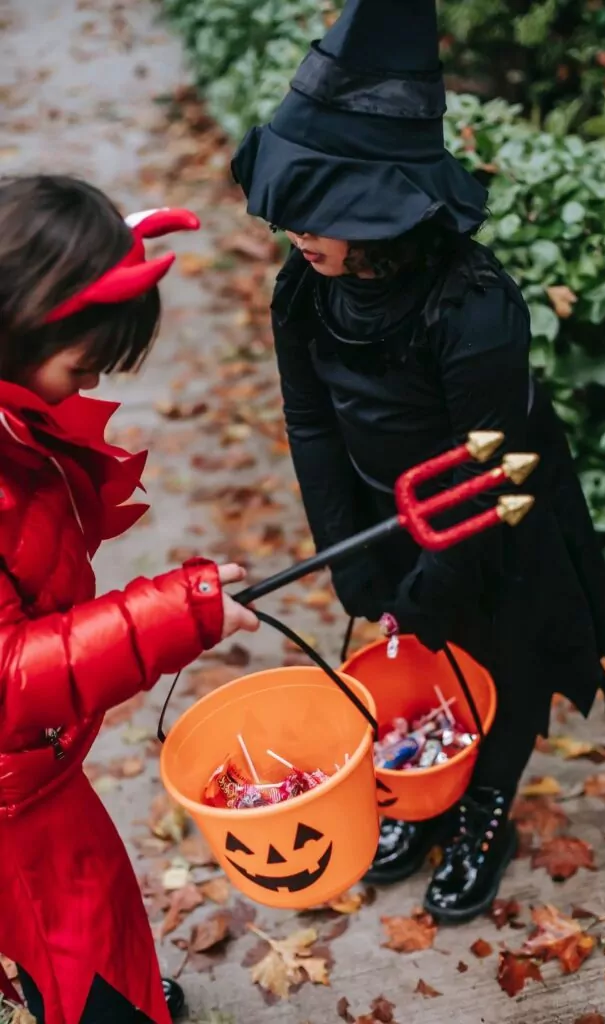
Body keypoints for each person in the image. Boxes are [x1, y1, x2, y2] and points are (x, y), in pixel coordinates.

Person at [231, 0, 605, 922]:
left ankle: (487, 800)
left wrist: (433, 581)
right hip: (384, 507)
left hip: (492, 511)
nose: (296, 232)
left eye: (319, 212)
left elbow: (486, 471)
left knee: (499, 655)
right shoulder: (305, 284)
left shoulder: (474, 306)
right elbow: (311, 421)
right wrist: (348, 553)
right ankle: (429, 787)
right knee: (412, 657)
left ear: (380, 209)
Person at [0, 174, 259, 1023]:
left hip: (26, 773)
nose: (86, 390)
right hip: (13, 796)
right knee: (72, 932)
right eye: (82, 366)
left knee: (69, 932)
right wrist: (176, 614)